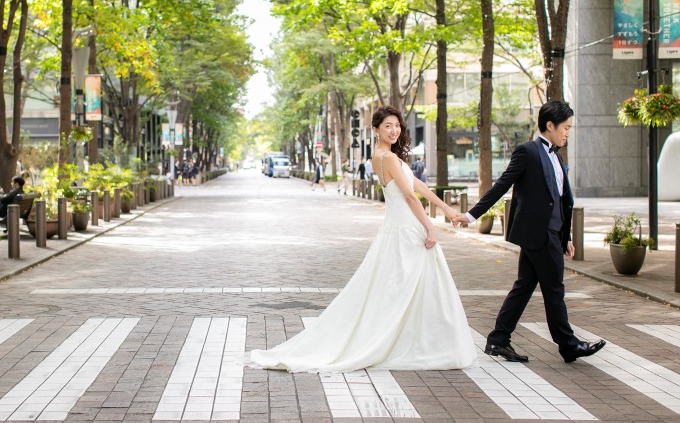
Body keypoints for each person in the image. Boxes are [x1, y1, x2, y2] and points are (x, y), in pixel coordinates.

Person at [248, 106, 476, 372]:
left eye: (397, 125)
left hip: (397, 229)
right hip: (406, 230)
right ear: (376, 130)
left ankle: (416, 340)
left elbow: (417, 185)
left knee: (396, 289)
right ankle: (421, 343)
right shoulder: (388, 158)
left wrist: (447, 209)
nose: (394, 130)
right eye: (388, 126)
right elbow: (409, 196)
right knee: (406, 289)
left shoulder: (381, 156)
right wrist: (430, 227)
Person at [452, 100, 606, 364]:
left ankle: (499, 339)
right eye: (566, 127)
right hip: (539, 234)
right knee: (554, 289)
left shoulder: (556, 155)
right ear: (550, 125)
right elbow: (502, 185)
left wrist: (566, 236)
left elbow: (561, 200)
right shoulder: (528, 152)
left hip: (552, 234)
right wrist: (470, 215)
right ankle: (569, 345)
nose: (568, 133)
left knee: (524, 287)